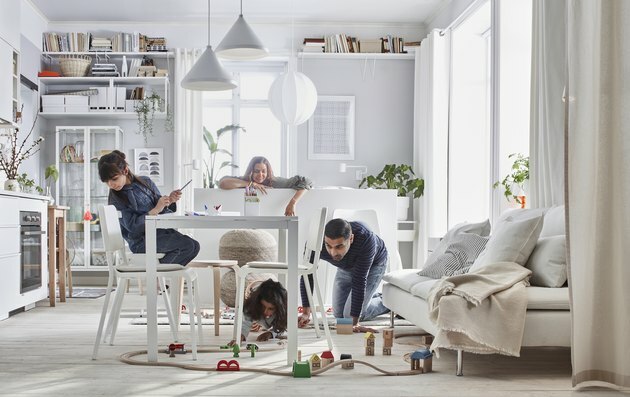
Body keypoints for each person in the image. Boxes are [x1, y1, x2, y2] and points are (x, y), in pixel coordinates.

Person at [97, 150, 200, 266]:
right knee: (188, 246)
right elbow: (132, 227)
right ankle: (156, 276)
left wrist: (169, 200)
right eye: (107, 182)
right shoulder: (116, 198)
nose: (111, 184)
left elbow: (161, 209)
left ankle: (156, 275)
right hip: (141, 241)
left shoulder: (146, 182)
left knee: (195, 246)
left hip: (159, 233)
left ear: (125, 170)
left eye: (114, 179)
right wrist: (155, 210)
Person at [298, 218, 389, 333]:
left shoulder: (366, 239)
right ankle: (369, 297)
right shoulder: (315, 241)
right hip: (345, 267)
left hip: (373, 266)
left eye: (339, 247)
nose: (333, 253)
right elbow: (307, 274)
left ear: (351, 238)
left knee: (348, 317)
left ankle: (388, 303)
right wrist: (306, 313)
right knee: (339, 314)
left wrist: (354, 323)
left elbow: (359, 281)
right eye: (328, 246)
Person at [219, 156, 312, 216]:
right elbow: (223, 183)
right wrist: (251, 184)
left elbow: (306, 181)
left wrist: (292, 203)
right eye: (256, 171)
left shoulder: (275, 182)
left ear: (268, 172)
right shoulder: (244, 181)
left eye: (263, 171)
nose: (260, 175)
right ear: (251, 171)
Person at [228, 279, 288, 345]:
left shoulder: (283, 311)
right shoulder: (253, 304)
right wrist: (240, 337)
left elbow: (280, 328)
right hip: (254, 287)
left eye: (271, 309)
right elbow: (245, 322)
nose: (265, 312)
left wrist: (271, 334)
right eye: (263, 306)